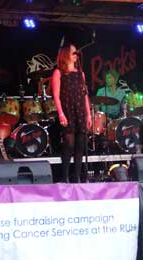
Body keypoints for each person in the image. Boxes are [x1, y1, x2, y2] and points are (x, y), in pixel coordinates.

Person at [52, 44, 92, 183]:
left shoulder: (81, 73)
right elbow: (56, 95)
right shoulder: (59, 72)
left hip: (80, 110)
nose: (76, 54)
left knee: (81, 145)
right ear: (65, 54)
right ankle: (65, 176)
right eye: (73, 52)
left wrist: (88, 114)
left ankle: (77, 176)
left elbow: (85, 94)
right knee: (69, 144)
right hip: (67, 110)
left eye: (76, 52)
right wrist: (61, 114)